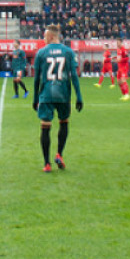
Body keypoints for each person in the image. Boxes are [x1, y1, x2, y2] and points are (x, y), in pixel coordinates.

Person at [32, 24, 83, 173]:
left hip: (47, 94)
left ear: (52, 36)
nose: (43, 38)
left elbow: (36, 79)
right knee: (64, 123)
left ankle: (47, 163)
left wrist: (35, 98)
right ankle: (59, 154)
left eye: (45, 35)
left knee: (45, 126)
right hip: (63, 94)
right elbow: (74, 75)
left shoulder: (41, 53)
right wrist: (79, 97)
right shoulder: (68, 52)